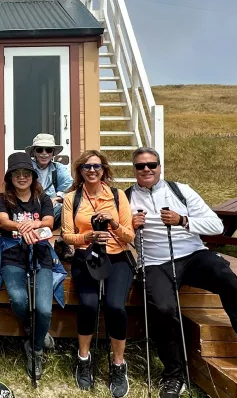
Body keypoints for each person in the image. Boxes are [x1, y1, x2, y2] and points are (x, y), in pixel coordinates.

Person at [127, 147, 237, 396]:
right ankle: (174, 374)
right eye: (140, 166)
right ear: (134, 170)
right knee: (163, 308)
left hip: (193, 255)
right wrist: (131, 227)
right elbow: (121, 237)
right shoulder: (127, 197)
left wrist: (183, 220)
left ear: (160, 167)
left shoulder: (181, 190)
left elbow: (216, 225)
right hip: (155, 262)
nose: (146, 169)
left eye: (152, 165)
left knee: (227, 278)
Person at [0, 152, 66, 381]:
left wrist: (37, 223)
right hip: (12, 253)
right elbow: (3, 221)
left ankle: (35, 348)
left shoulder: (43, 199)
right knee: (19, 299)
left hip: (40, 254)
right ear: (10, 177)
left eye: (26, 173)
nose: (22, 177)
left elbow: (49, 223)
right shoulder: (2, 198)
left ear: (32, 176)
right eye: (16, 174)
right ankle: (36, 331)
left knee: (43, 308)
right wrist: (24, 227)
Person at [62, 150, 134, 398]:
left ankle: (118, 364)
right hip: (87, 256)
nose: (92, 171)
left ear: (104, 170)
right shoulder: (73, 197)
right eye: (86, 167)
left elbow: (130, 236)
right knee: (89, 305)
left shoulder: (118, 195)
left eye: (96, 166)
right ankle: (84, 358)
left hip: (117, 256)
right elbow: (67, 235)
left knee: (115, 306)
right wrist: (87, 237)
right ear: (79, 171)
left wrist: (113, 225)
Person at [26, 134, 73, 227]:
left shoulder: (59, 168)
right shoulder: (26, 167)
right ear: (34, 152)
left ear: (53, 153)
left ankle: (65, 238)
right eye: (40, 150)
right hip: (27, 210)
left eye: (48, 149)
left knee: (71, 208)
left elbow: (71, 190)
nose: (44, 153)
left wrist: (57, 199)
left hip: (51, 211)